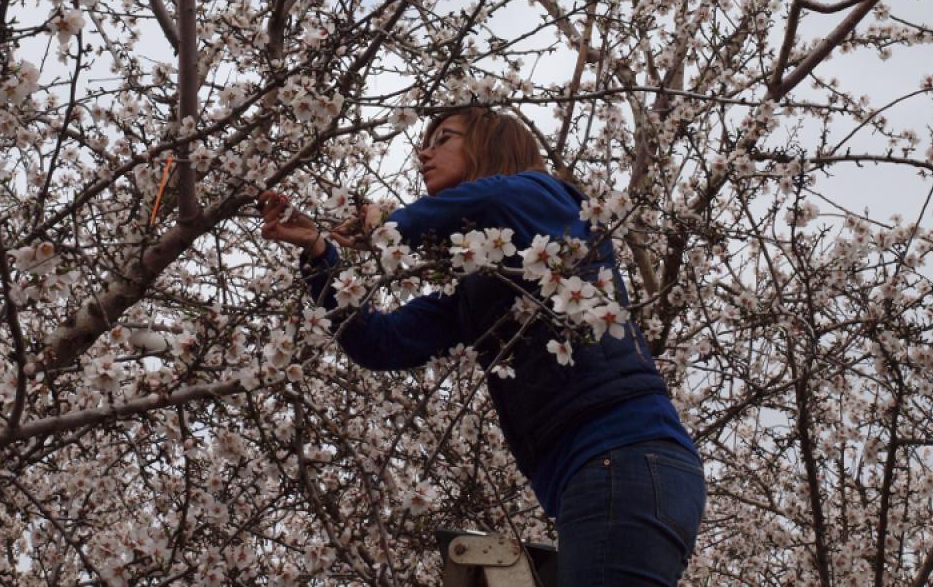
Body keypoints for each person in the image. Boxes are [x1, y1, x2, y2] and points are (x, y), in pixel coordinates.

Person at [259, 108, 705, 586]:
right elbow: (379, 343)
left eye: (444, 138)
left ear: (492, 147)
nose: (424, 153)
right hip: (606, 476)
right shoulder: (485, 289)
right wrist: (319, 254)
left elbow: (491, 199)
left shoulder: (540, 195)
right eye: (424, 143)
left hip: (624, 459)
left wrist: (388, 223)